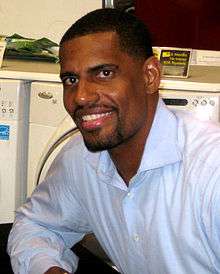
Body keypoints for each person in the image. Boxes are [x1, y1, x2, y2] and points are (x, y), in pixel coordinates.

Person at [7, 8, 220, 274]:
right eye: (71, 79)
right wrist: (49, 268)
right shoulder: (80, 160)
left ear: (150, 76)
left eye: (104, 73)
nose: (81, 97)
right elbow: (37, 225)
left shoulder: (211, 172)